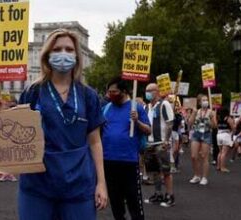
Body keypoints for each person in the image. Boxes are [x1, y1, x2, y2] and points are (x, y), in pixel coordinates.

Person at [16, 29, 107, 219]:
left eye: (68, 49)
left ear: (77, 56)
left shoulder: (88, 95)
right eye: (57, 49)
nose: (63, 54)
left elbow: (95, 142)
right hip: (37, 185)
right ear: (47, 55)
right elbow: (15, 131)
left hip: (79, 185)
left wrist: (101, 183)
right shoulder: (33, 92)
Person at [102, 77, 151, 220]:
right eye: (109, 92)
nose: (111, 94)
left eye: (114, 91)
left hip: (128, 160)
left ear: (123, 91)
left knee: (133, 198)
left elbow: (148, 130)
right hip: (108, 160)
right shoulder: (106, 108)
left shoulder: (136, 108)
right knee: (115, 199)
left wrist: (137, 122)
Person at [143, 83, 175, 208]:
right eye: (146, 90)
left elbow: (170, 123)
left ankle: (170, 195)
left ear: (157, 91)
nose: (147, 93)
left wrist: (166, 140)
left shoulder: (164, 104)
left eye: (149, 90)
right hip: (149, 143)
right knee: (154, 171)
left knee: (166, 171)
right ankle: (158, 194)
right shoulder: (146, 107)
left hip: (161, 143)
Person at [188, 95, 217, 185]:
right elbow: (189, 123)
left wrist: (212, 118)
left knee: (204, 156)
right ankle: (197, 175)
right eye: (203, 100)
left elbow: (215, 126)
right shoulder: (196, 111)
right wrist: (193, 113)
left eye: (206, 100)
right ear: (199, 102)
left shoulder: (211, 112)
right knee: (193, 156)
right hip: (196, 134)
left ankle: (204, 177)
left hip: (206, 134)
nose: (205, 101)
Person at [216, 108, 235, 172]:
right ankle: (223, 167)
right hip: (226, 135)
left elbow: (217, 126)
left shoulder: (218, 118)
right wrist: (232, 133)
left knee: (220, 152)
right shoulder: (228, 118)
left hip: (219, 135)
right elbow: (233, 127)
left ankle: (218, 166)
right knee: (224, 153)